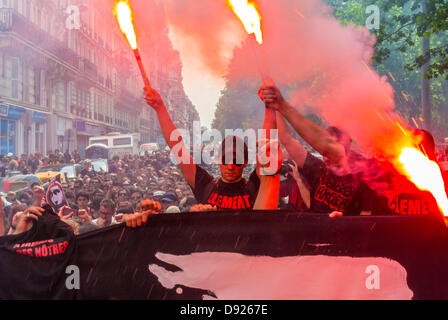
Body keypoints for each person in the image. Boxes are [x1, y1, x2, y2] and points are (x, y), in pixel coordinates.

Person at [143, 86, 281, 212]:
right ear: (218, 159)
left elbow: (267, 148)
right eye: (226, 160)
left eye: (237, 161)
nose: (231, 166)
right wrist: (160, 108)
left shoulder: (253, 187)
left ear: (245, 162)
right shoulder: (205, 186)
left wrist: (269, 108)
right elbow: (178, 147)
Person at [258, 84, 369, 215]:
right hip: (314, 232)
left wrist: (346, 224)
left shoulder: (362, 178)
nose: (326, 153)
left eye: (333, 144)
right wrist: (275, 107)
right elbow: (287, 139)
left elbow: (366, 216)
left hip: (342, 234)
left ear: (347, 147)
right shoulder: (318, 169)